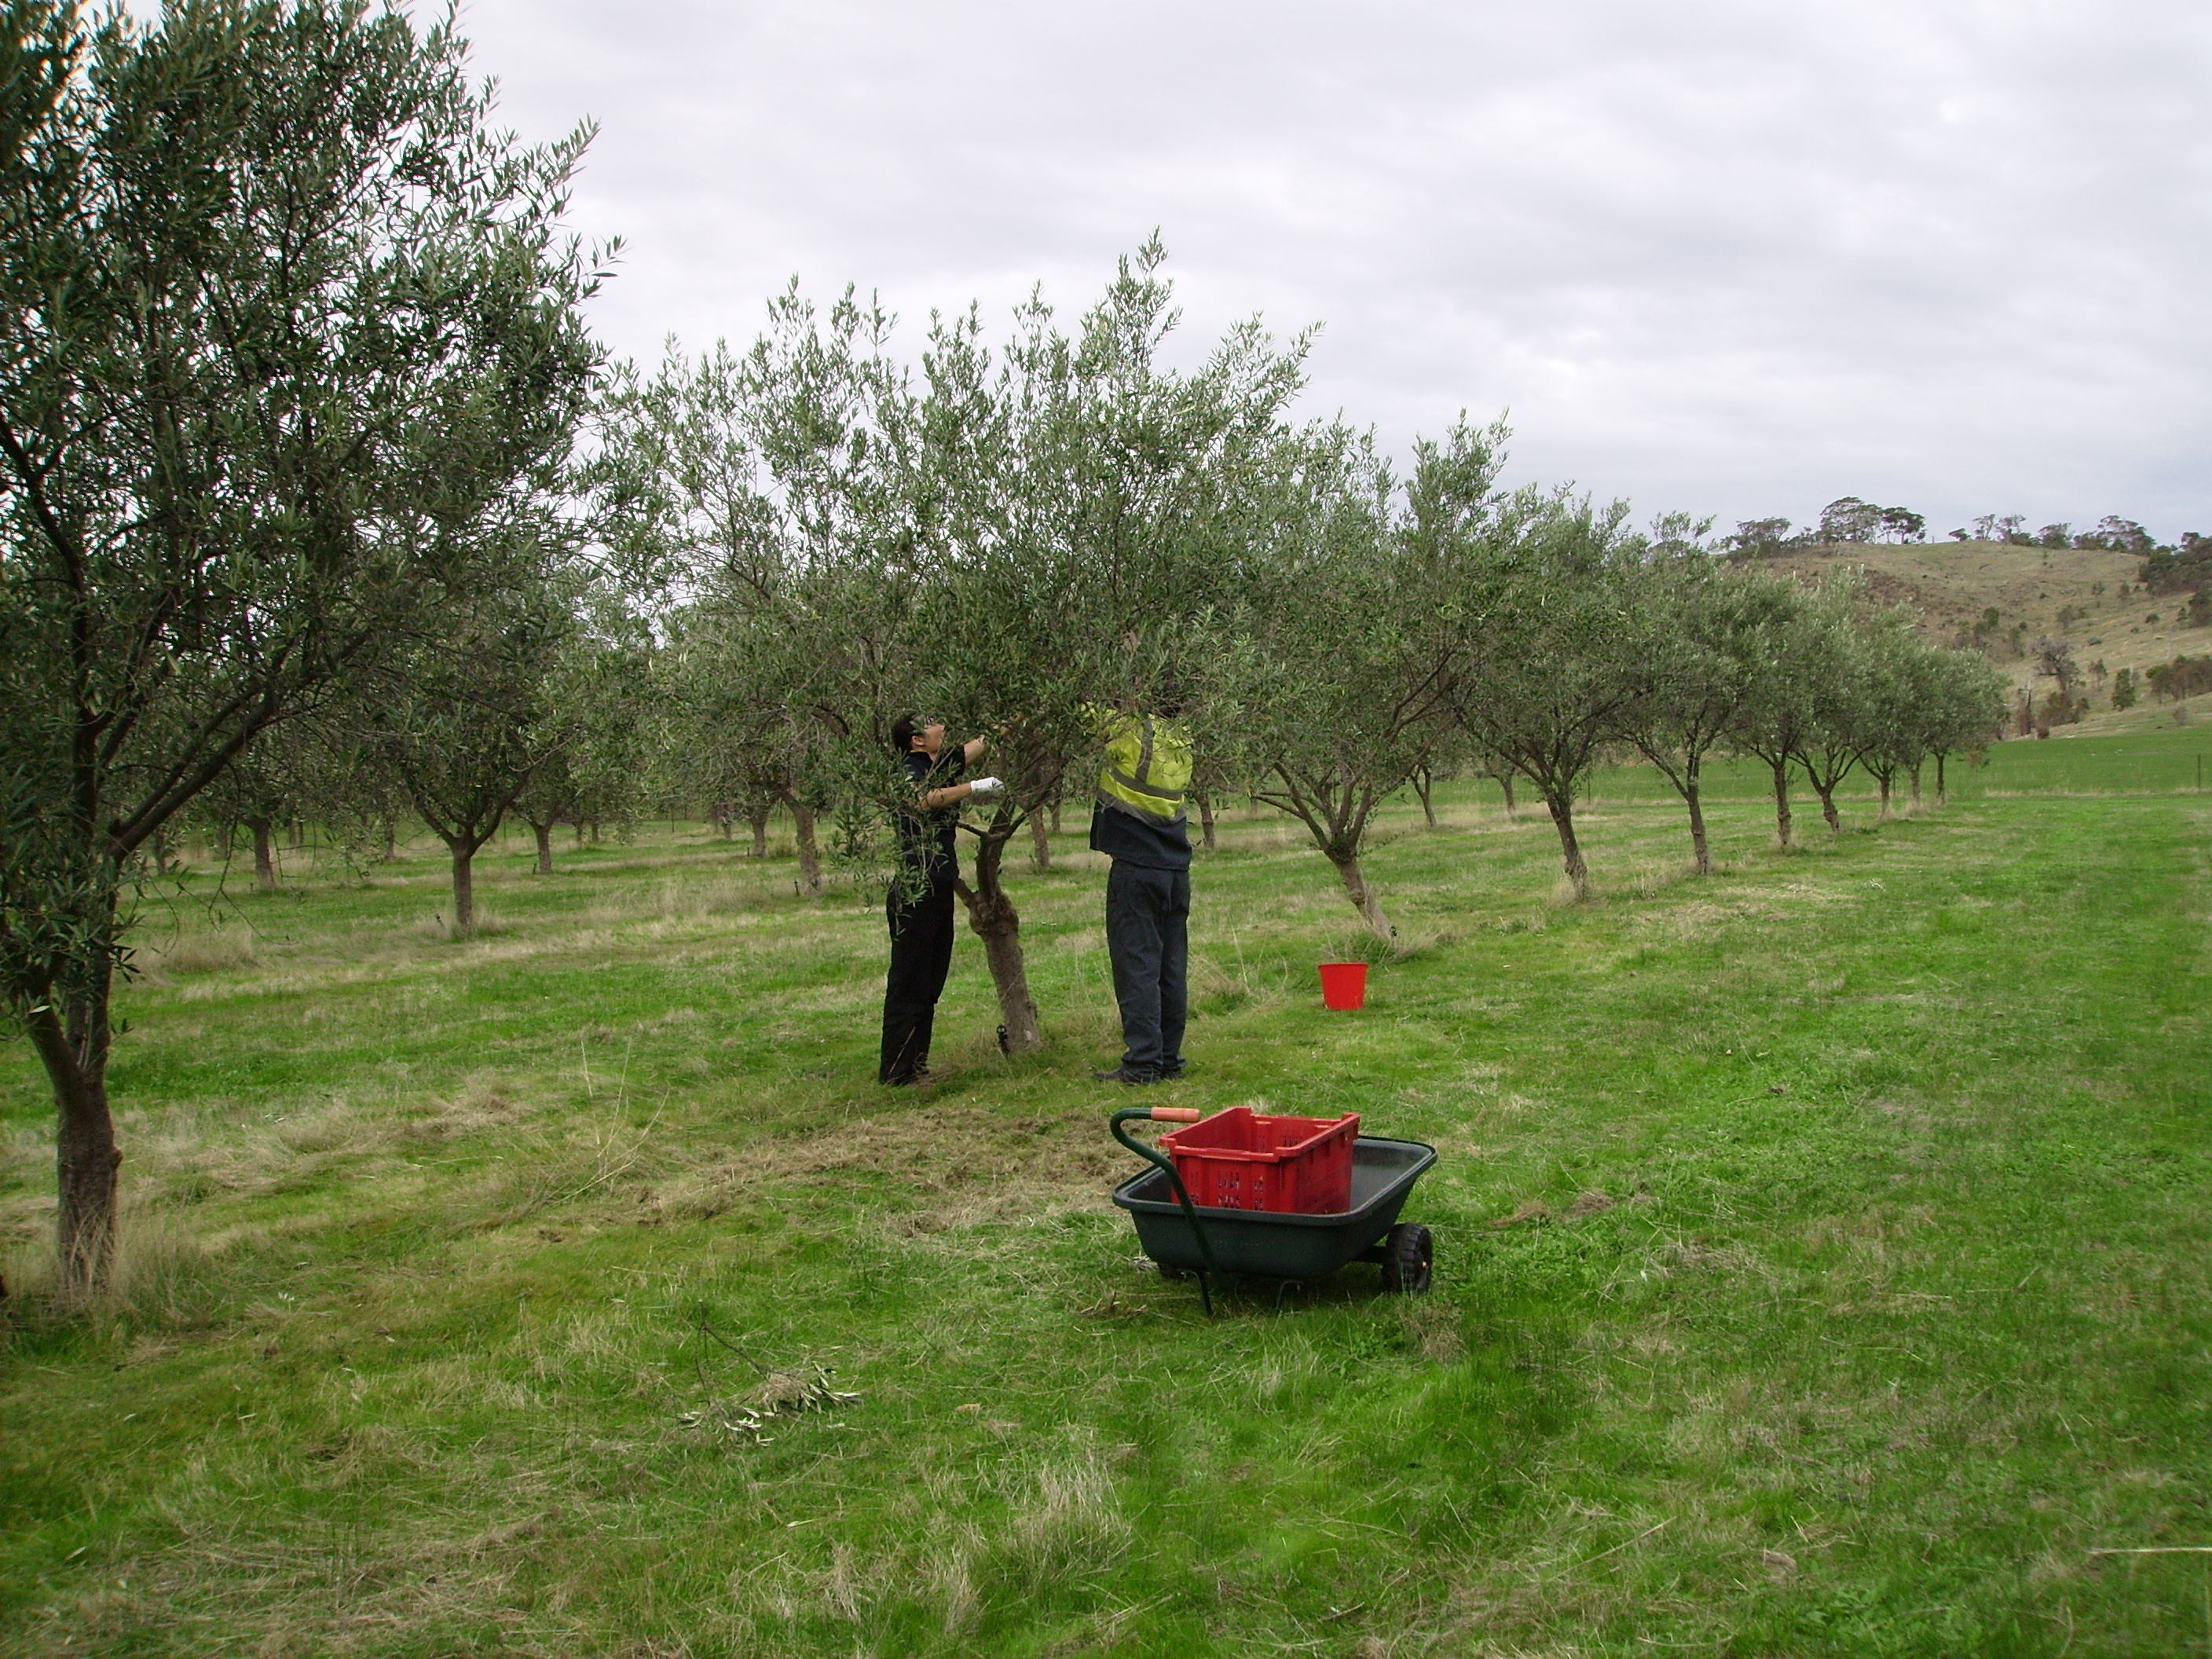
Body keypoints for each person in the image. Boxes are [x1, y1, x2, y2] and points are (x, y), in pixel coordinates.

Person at [879, 716, 999, 1086]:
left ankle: (916, 1064)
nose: (942, 728)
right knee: (909, 982)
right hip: (915, 890)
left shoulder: (938, 765)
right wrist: (974, 787)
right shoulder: (908, 770)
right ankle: (896, 1072)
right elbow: (924, 799)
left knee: (931, 982)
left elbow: (980, 743)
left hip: (939, 886)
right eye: (933, 726)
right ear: (917, 740)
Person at [1086, 705, 1192, 1085]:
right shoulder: (1181, 736)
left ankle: (1143, 1064)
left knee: (1137, 968)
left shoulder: (1128, 729)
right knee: (1170, 968)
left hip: (1136, 867)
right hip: (1175, 867)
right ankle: (1167, 1060)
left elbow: (1077, 704)